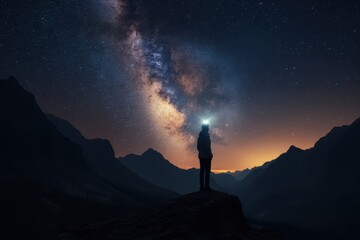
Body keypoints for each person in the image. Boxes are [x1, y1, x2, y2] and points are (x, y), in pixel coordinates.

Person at [197, 123, 213, 191]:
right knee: (207, 171)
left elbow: (198, 147)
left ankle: (202, 187)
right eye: (208, 127)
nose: (209, 128)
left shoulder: (199, 137)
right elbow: (208, 147)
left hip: (201, 156)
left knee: (202, 171)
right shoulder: (206, 136)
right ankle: (207, 186)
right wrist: (210, 154)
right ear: (206, 128)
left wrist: (201, 152)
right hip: (207, 156)